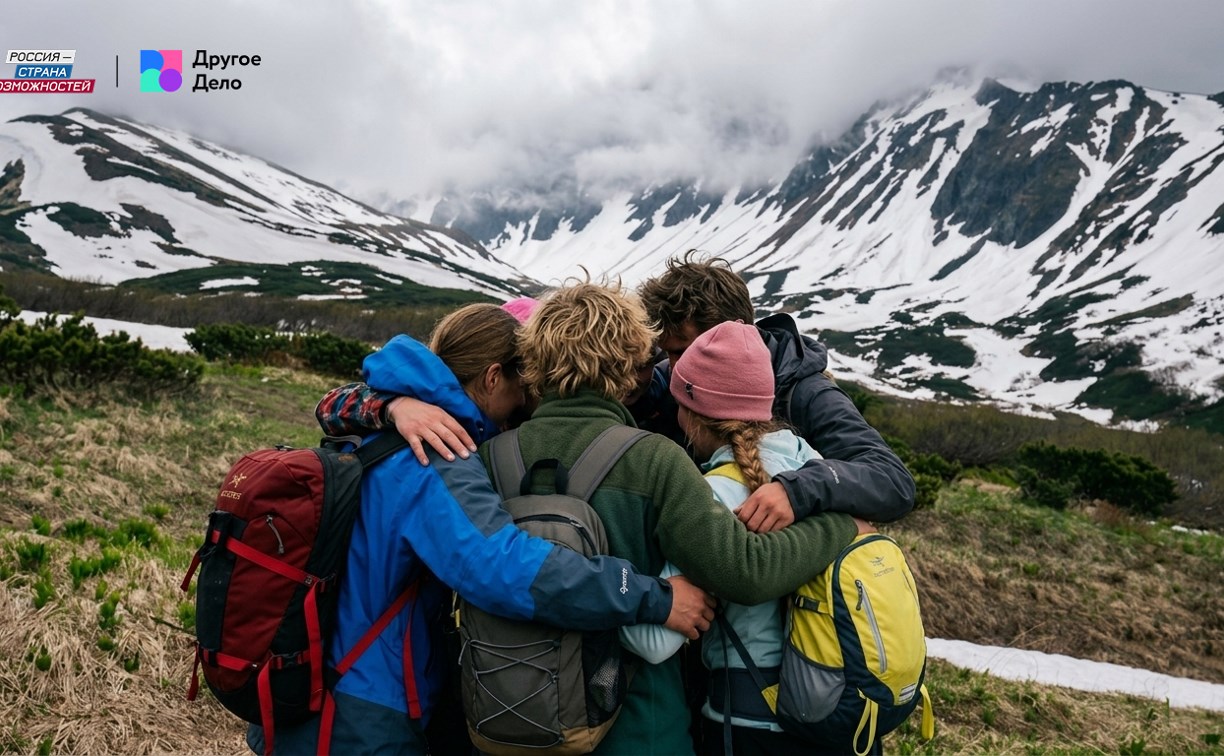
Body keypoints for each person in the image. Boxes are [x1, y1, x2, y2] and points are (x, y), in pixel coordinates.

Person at [248, 303, 716, 755]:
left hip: (314, 677)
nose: (531, 399)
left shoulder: (388, 425)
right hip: (362, 704)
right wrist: (650, 596)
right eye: (524, 383)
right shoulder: (435, 454)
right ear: (494, 377)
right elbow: (502, 568)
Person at [670, 320, 882, 754]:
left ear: (691, 414)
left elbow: (652, 643)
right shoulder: (820, 469)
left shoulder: (709, 495)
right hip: (833, 697)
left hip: (745, 719)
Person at [637, 252, 916, 530]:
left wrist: (798, 491)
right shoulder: (672, 378)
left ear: (731, 335)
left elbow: (891, 480)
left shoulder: (805, 391)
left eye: (684, 352)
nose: (674, 367)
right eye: (667, 353)